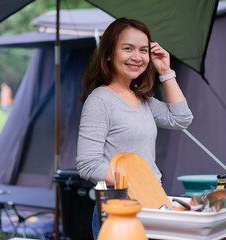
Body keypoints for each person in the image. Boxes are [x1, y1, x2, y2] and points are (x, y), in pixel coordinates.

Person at [76, 18, 193, 239]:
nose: (137, 57)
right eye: (127, 48)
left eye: (143, 50)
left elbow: (181, 119)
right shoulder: (100, 100)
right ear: (109, 53)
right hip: (118, 210)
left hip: (152, 202)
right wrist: (138, 183)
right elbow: (88, 164)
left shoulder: (142, 99)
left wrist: (166, 71)